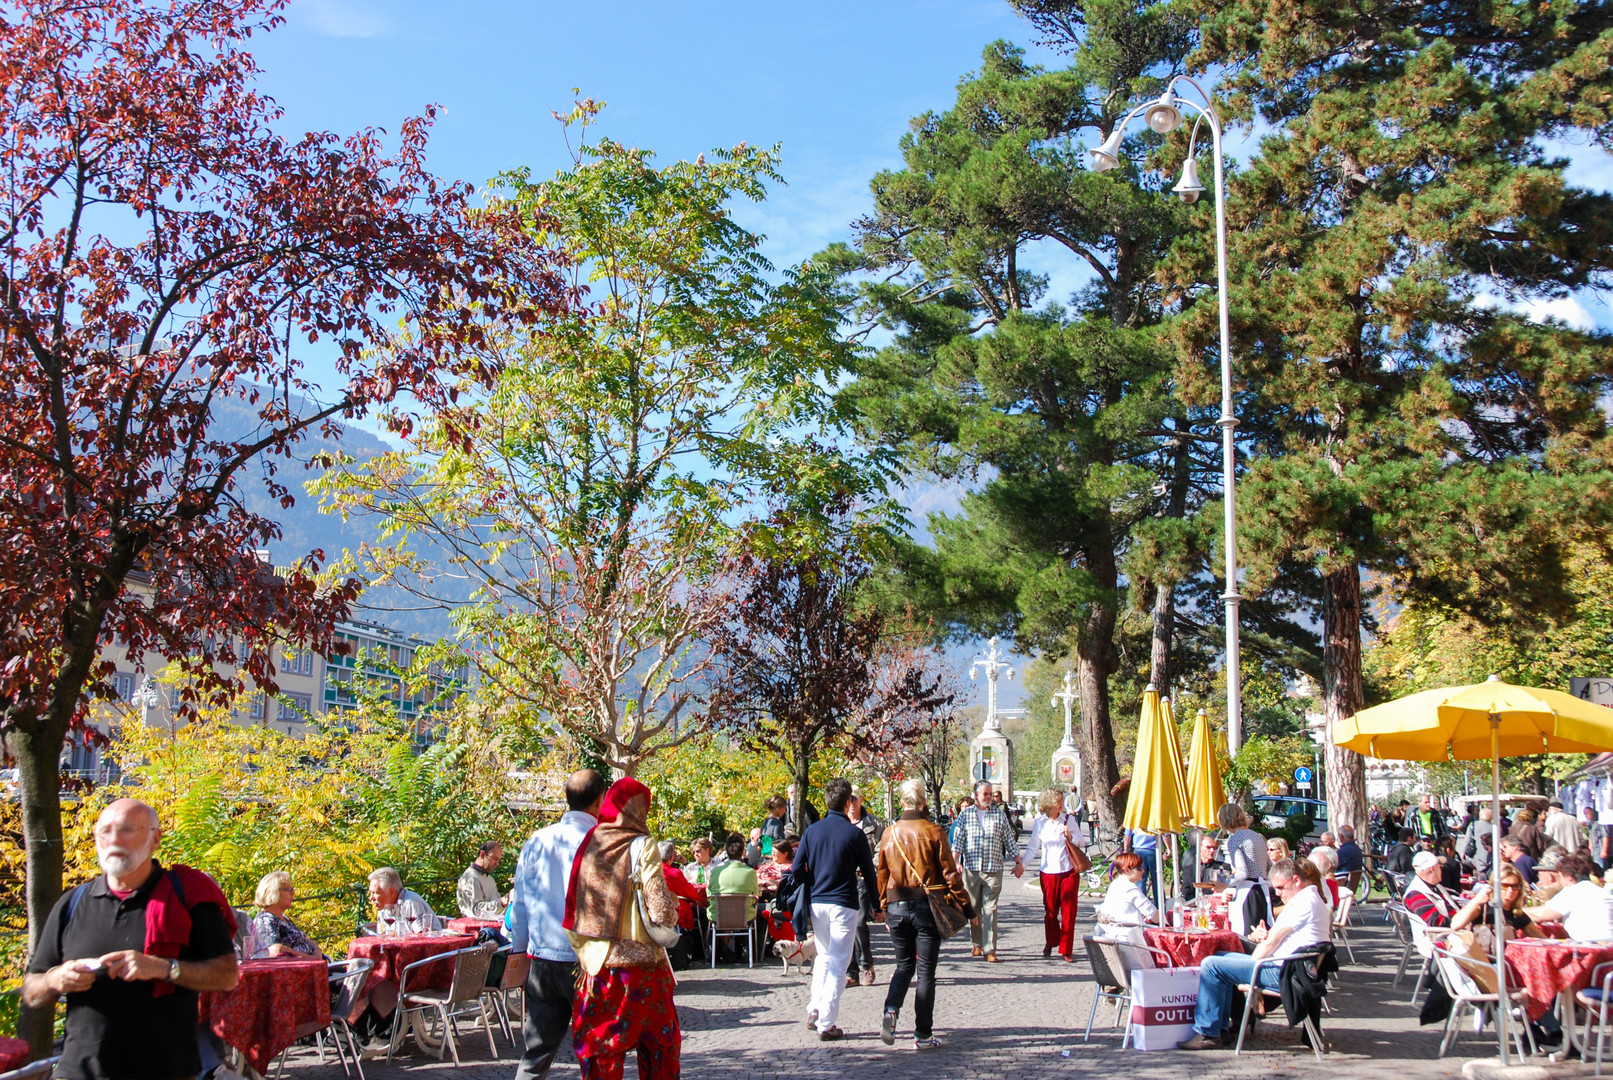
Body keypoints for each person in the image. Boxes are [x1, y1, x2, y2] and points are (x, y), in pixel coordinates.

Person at [22, 799, 239, 1080]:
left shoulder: (188, 897)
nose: (114, 839)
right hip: (78, 1071)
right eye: (105, 831)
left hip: (167, 1070)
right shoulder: (72, 903)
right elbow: (31, 989)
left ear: (155, 838)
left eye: (126, 830)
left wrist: (165, 968)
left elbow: (226, 975)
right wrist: (55, 979)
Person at [563, 777, 681, 1079]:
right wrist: (673, 903)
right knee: (660, 1053)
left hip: (597, 967)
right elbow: (661, 911)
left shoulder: (589, 843)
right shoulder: (642, 845)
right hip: (644, 971)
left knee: (602, 1056)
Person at [507, 768, 608, 1080]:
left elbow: (520, 903)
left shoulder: (537, 840)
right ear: (600, 801)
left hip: (543, 959)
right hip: (589, 964)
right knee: (597, 1053)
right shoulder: (603, 842)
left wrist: (519, 951)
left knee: (535, 1054)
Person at [1176, 858, 1331, 1050]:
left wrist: (1254, 961)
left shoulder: (1302, 903)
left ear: (1296, 880)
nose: (1278, 894)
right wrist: (1264, 939)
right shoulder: (1310, 899)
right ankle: (1220, 1029)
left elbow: (1272, 942)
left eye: (1281, 888)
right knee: (1221, 955)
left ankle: (1208, 1032)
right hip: (1291, 966)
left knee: (1211, 965)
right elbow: (1281, 937)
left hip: (1283, 972)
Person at [877, 777, 964, 1051]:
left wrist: (884, 907)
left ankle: (891, 1008)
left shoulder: (889, 834)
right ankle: (923, 1035)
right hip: (926, 907)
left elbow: (882, 874)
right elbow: (950, 873)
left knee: (903, 966)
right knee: (926, 972)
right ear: (924, 802)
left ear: (902, 803)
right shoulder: (934, 831)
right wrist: (965, 905)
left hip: (897, 906)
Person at [793, 777, 880, 1040]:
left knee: (824, 956)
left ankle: (814, 1009)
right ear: (846, 802)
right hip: (844, 902)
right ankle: (826, 1022)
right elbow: (868, 872)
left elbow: (796, 870)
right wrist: (877, 905)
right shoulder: (855, 834)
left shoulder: (812, 832)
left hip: (818, 902)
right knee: (839, 962)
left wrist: (815, 880)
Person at [950, 780, 1024, 962]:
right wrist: (955, 863)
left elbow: (1009, 841)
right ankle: (976, 943)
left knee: (990, 909)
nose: (989, 797)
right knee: (974, 909)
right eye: (985, 794)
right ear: (976, 795)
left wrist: (1018, 862)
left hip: (993, 869)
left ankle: (990, 949)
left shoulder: (999, 816)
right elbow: (958, 842)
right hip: (971, 870)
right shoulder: (965, 816)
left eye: (991, 794)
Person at [1024, 787, 1085, 961]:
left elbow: (1082, 841)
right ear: (1049, 804)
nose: (1062, 803)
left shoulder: (1069, 819)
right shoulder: (1040, 822)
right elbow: (1033, 848)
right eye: (1058, 801)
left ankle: (1066, 949)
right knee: (1050, 911)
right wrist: (1022, 865)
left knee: (1069, 911)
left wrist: (1071, 836)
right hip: (1048, 872)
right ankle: (1051, 941)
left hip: (1068, 871)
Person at [845, 785, 885, 987]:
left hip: (864, 878)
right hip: (844, 879)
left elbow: (882, 849)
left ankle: (866, 963)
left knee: (859, 922)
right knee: (846, 924)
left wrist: (869, 866)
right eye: (848, 799)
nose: (852, 803)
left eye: (854, 799)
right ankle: (852, 972)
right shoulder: (840, 823)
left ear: (861, 800)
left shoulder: (874, 823)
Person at [1525, 852, 1613, 942]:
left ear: (1569, 877)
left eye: (1560, 876)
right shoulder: (1600, 891)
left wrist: (1516, 910)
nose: (1560, 881)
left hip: (1590, 948)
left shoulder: (1573, 891)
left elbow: (1539, 914)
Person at [1450, 862, 1544, 941]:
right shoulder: (1484, 908)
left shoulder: (1516, 913)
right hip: (1483, 960)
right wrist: (1476, 901)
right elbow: (1455, 925)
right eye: (1505, 886)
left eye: (1515, 886)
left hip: (1507, 960)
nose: (1510, 891)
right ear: (1494, 886)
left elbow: (1542, 939)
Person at [249, 871, 323, 958]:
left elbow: (306, 940)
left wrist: (317, 950)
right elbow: (276, 952)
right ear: (273, 892)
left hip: (312, 965)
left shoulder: (283, 917)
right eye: (288, 889)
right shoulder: (265, 920)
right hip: (298, 969)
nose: (293, 893)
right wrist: (312, 959)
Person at [708, 833, 758, 961]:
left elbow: (709, 894)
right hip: (744, 916)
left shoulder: (715, 871)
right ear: (742, 852)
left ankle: (717, 951)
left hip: (719, 915)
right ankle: (751, 953)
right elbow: (755, 895)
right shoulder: (750, 872)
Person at [1096, 852, 1158, 939]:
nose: (1143, 870)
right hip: (1132, 941)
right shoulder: (1131, 889)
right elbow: (1154, 915)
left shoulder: (1114, 884)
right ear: (1127, 870)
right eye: (1139, 868)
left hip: (1113, 935)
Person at [366, 867, 435, 934]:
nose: (371, 898)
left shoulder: (410, 903)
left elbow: (423, 937)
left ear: (392, 892)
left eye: (375, 893)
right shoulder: (384, 907)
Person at [1403, 851, 1460, 927]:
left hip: (1455, 932)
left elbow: (1451, 908)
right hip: (1441, 936)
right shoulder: (1415, 894)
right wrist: (1463, 921)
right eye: (1440, 866)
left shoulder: (1436, 886)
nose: (1442, 870)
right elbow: (1437, 922)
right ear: (1432, 868)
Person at [1218, 803, 1269, 883]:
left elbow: (1242, 873)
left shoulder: (1235, 839)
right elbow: (1269, 866)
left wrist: (1224, 883)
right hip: (1263, 886)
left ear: (1224, 821)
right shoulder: (1257, 836)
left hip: (1248, 888)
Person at [456, 840, 507, 919]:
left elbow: (498, 911)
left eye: (499, 860)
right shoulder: (470, 878)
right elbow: (476, 911)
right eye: (495, 858)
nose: (497, 864)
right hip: (476, 928)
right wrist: (502, 902)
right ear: (482, 854)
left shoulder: (490, 879)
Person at [1180, 834, 1231, 903]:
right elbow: (1186, 891)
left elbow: (1226, 889)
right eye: (1208, 847)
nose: (1212, 850)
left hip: (1217, 905)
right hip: (1196, 906)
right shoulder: (1190, 869)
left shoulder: (1223, 867)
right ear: (1199, 848)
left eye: (1214, 847)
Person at [1128, 828, 1160, 905]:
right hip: (1153, 850)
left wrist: (1126, 850)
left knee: (1140, 880)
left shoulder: (1135, 818)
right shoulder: (1156, 817)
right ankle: (1160, 906)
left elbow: (1128, 834)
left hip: (1138, 849)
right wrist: (1168, 848)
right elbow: (1164, 834)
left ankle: (1141, 905)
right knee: (1157, 880)